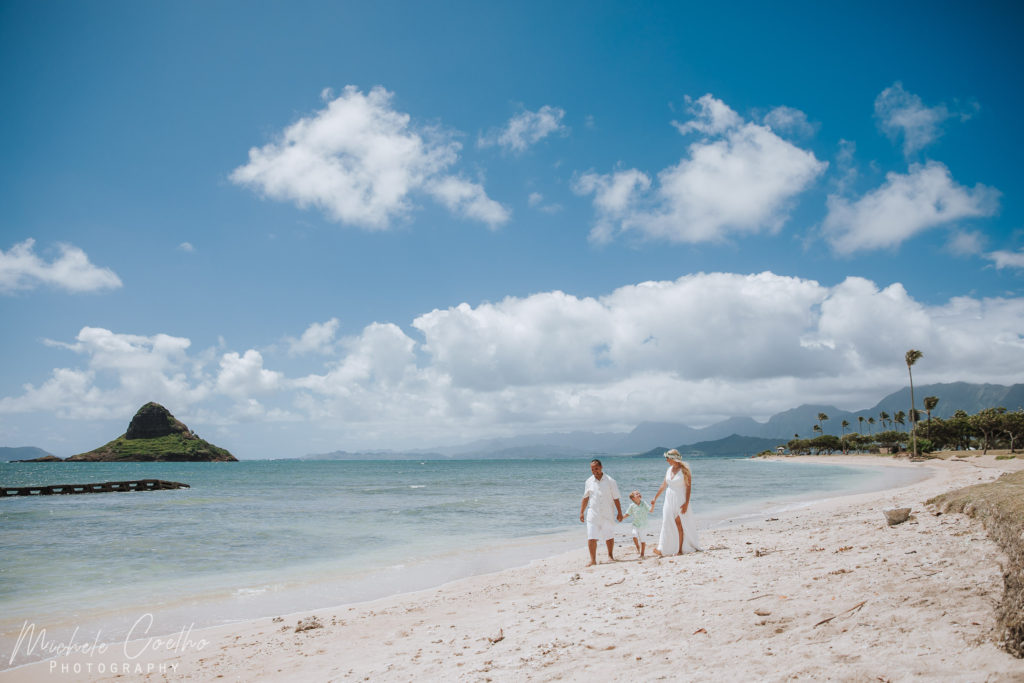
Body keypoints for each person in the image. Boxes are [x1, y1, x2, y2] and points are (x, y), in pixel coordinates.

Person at [649, 449, 701, 557]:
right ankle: (662, 548)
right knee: (666, 522)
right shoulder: (669, 469)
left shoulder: (685, 470)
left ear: (674, 459)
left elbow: (688, 487)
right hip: (669, 499)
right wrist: (655, 498)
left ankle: (680, 550)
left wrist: (686, 503)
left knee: (679, 523)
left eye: (667, 458)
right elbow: (663, 485)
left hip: (680, 499)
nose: (666, 460)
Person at [579, 459, 623, 566]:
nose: (595, 471)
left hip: (607, 513)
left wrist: (619, 513)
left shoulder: (610, 481)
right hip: (593, 514)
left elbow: (616, 498)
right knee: (591, 537)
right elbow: (585, 498)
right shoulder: (588, 481)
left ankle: (610, 556)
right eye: (592, 469)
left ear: (601, 467)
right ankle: (593, 560)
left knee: (609, 536)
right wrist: (581, 512)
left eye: (596, 469)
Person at [622, 490, 650, 559]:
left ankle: (642, 554)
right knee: (634, 534)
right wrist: (621, 518)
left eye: (639, 493)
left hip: (644, 525)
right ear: (633, 498)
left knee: (643, 540)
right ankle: (637, 546)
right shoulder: (632, 506)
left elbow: (650, 510)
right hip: (635, 524)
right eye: (636, 494)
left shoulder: (644, 503)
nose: (638, 494)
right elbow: (628, 513)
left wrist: (653, 504)